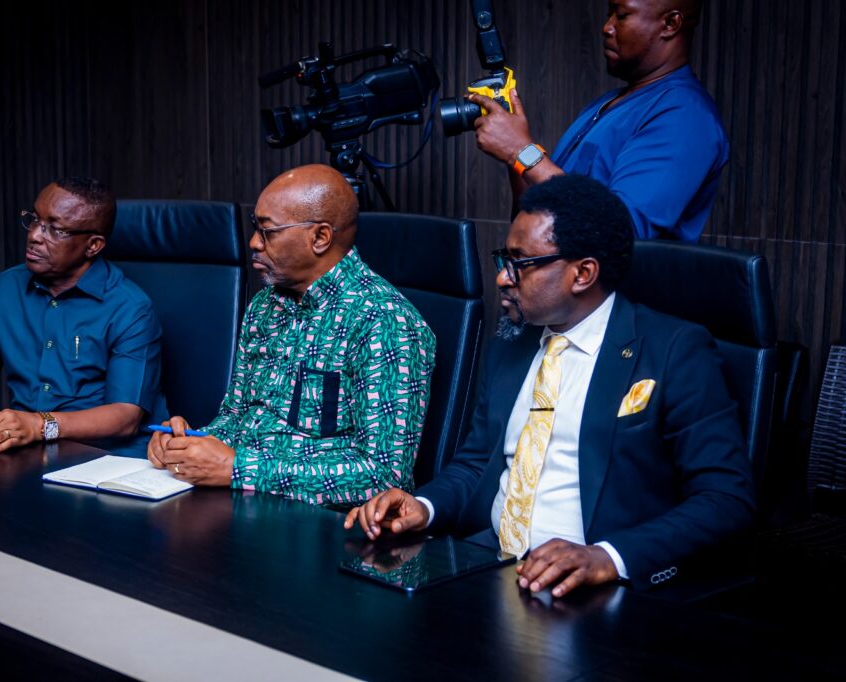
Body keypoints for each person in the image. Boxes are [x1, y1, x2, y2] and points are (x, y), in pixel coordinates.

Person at [345, 174, 754, 596]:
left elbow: (725, 499)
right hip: (489, 564)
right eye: (504, 259)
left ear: (583, 273)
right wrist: (424, 506)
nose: (503, 278)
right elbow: (477, 463)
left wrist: (608, 557)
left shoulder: (674, 350)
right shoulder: (512, 341)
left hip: (589, 587)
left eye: (520, 263)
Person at [148, 164, 436, 506]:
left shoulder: (383, 321)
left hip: (319, 522)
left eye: (268, 231)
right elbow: (237, 416)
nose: (254, 242)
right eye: (255, 227)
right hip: (241, 501)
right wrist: (188, 444)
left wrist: (239, 469)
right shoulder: (264, 305)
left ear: (320, 237)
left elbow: (385, 477)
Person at [0, 177, 167, 454]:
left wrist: (40, 425)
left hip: (108, 458)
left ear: (93, 245)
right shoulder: (4, 290)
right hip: (31, 452)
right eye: (34, 219)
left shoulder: (130, 309)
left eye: (55, 230)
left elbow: (125, 417)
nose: (34, 235)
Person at [469, 0, 728, 242]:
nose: (607, 27)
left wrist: (521, 151)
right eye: (609, 14)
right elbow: (542, 209)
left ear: (670, 24)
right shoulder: (610, 103)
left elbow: (621, 229)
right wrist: (513, 151)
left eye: (622, 15)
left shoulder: (685, 117)